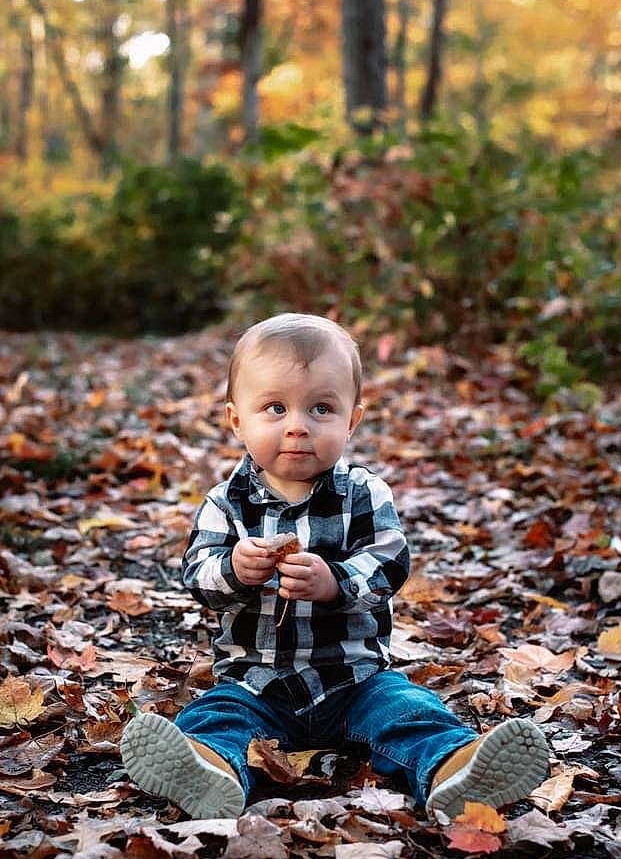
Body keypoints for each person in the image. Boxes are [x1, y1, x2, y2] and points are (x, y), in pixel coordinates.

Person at [120, 313, 548, 820]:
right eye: (275, 408)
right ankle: (211, 771)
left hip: (354, 678)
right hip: (256, 681)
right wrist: (234, 569)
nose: (298, 425)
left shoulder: (366, 494)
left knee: (408, 712)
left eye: (321, 408)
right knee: (218, 717)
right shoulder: (225, 503)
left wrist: (335, 581)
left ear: (352, 420)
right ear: (238, 420)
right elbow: (198, 576)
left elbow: (390, 561)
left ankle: (454, 769)